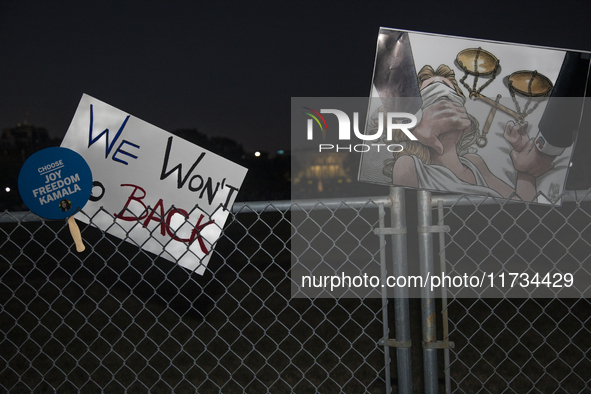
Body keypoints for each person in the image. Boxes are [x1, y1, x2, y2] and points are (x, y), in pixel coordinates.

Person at [378, 64, 551, 201]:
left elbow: (522, 206)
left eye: (451, 104)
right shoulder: (409, 166)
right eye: (438, 106)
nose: (447, 116)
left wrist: (525, 167)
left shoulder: (474, 163)